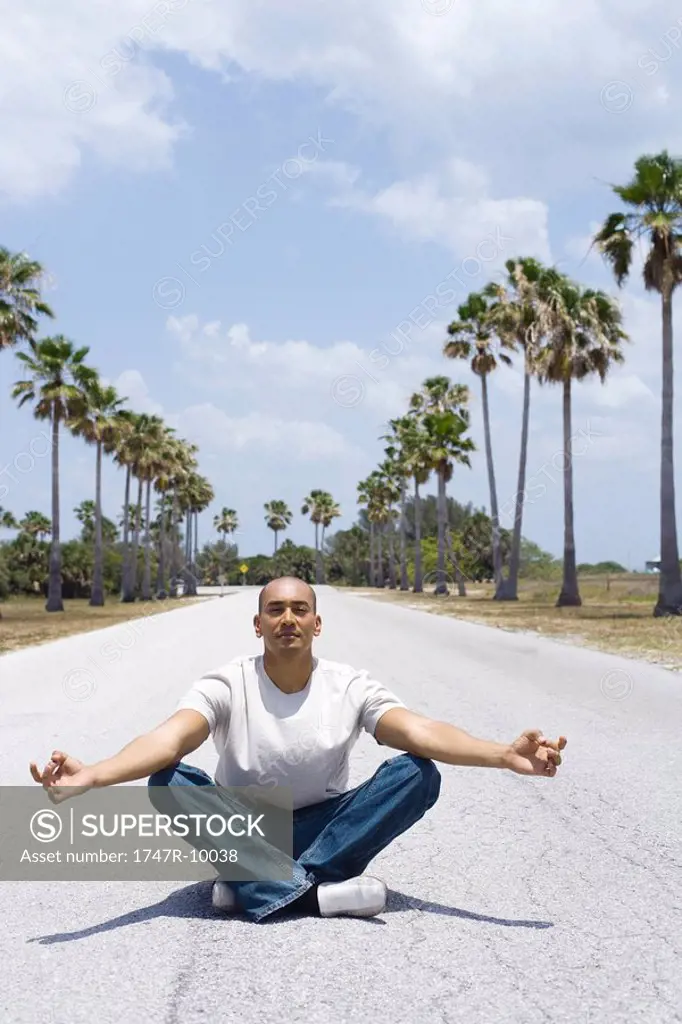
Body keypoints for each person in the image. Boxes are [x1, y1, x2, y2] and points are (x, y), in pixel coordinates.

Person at [30, 575, 567, 923]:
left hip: (328, 826)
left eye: (300, 609)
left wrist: (502, 754)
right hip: (245, 824)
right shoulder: (226, 683)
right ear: (258, 623)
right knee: (168, 781)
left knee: (418, 774)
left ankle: (253, 883)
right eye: (276, 609)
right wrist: (94, 776)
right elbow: (167, 739)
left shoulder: (349, 684)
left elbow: (422, 731)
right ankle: (314, 893)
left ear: (317, 622)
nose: (288, 619)